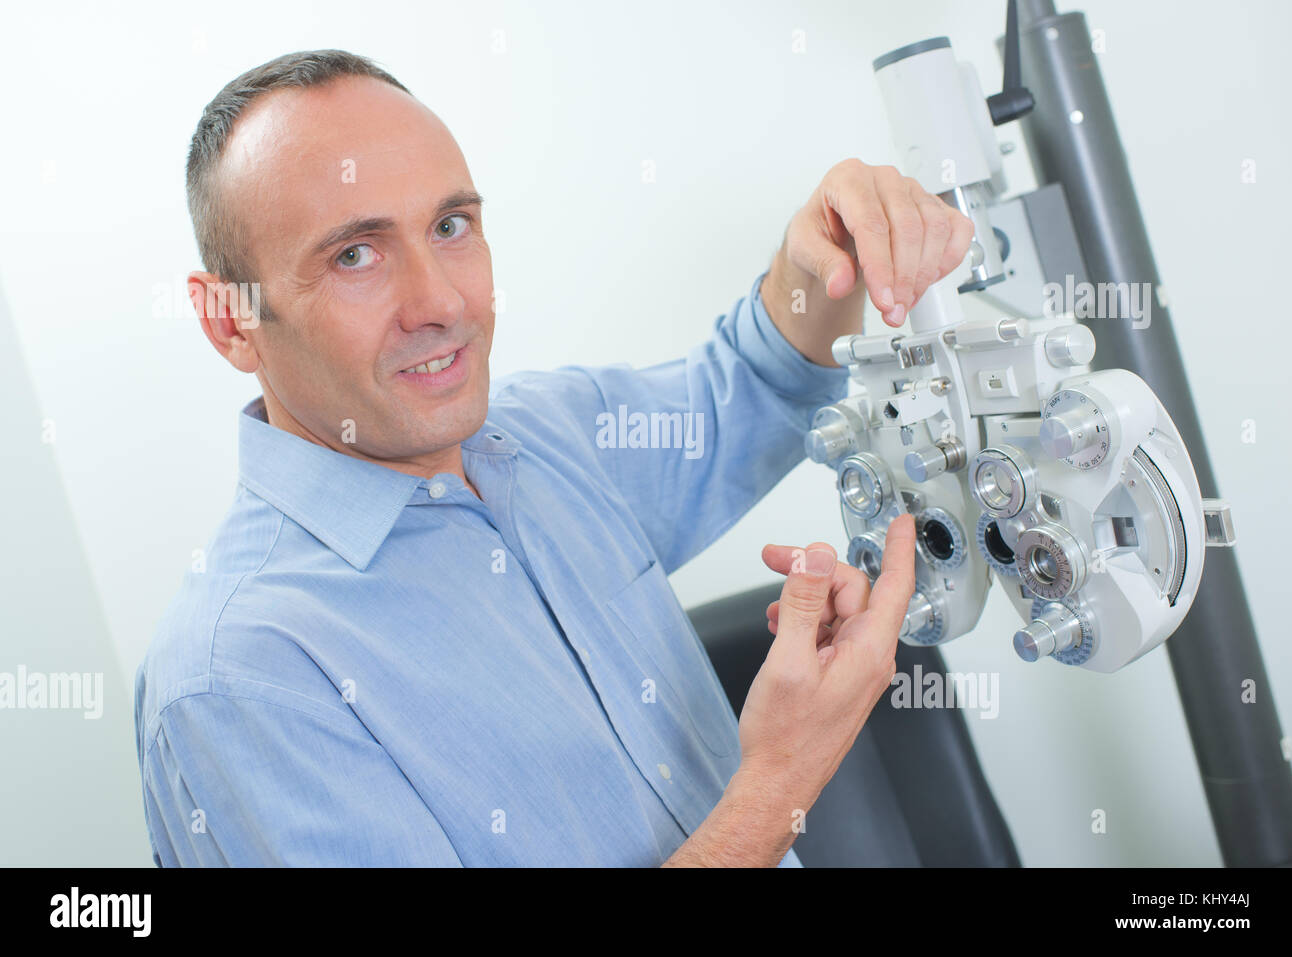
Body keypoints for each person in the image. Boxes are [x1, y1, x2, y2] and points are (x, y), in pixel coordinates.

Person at [134, 49, 972, 866]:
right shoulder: (239, 677)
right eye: (355, 254)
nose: (441, 302)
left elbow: (758, 382)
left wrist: (817, 251)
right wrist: (781, 776)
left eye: (450, 226)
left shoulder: (549, 435)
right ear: (230, 321)